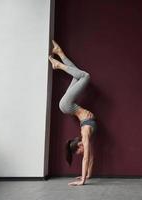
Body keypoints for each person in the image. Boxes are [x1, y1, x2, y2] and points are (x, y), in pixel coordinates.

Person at [48, 40, 97, 186]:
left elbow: (86, 158)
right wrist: (87, 176)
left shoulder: (85, 134)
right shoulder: (86, 136)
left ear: (79, 145)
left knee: (85, 76)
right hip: (68, 106)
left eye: (79, 151)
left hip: (67, 105)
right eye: (80, 153)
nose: (81, 153)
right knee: (78, 76)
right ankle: (59, 53)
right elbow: (91, 157)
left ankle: (58, 64)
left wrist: (82, 181)